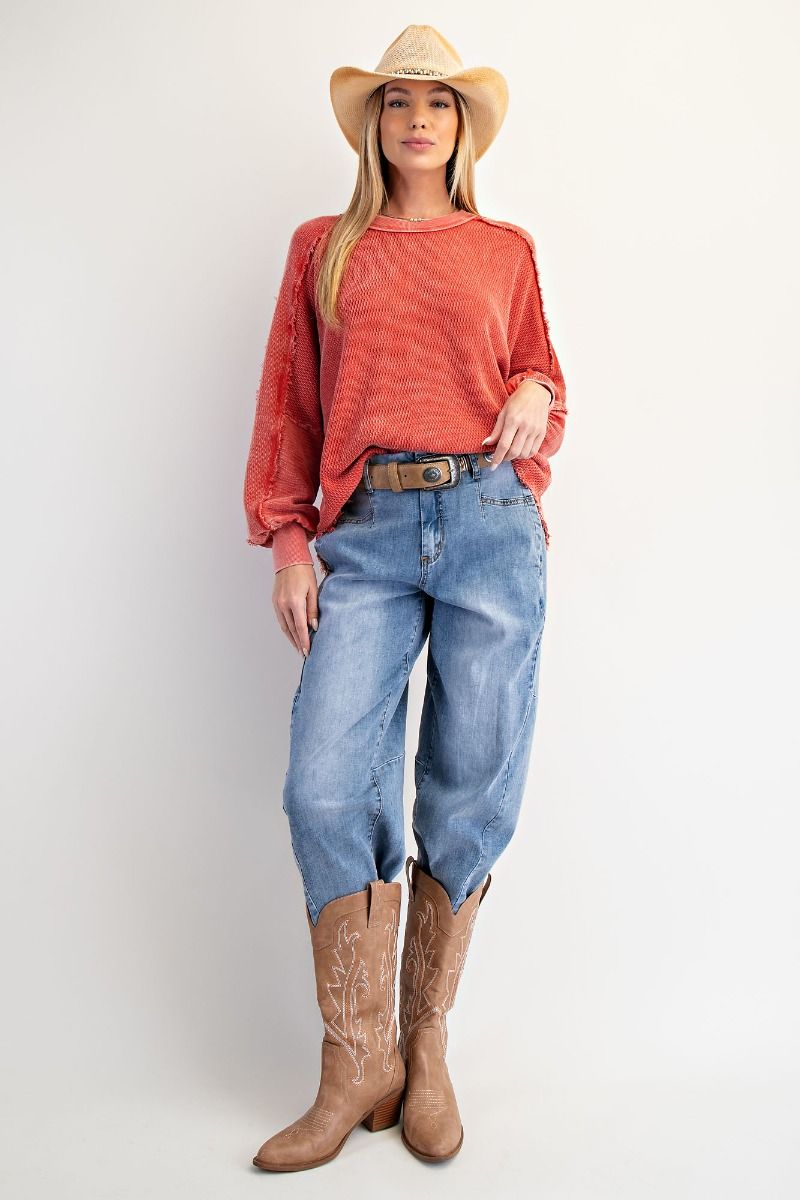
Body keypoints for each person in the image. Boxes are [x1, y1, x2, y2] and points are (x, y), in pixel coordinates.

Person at [244, 24, 568, 1173]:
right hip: (366, 536)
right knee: (324, 787)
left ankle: (423, 1044)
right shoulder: (324, 248)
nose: (417, 119)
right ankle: (356, 1058)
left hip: (488, 527)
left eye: (436, 103)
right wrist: (289, 540)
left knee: (469, 783)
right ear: (374, 125)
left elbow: (542, 379)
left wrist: (534, 393)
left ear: (461, 127)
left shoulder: (503, 250)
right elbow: (289, 403)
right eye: (396, 102)